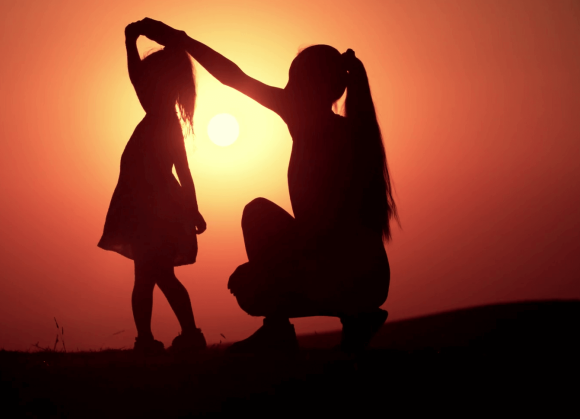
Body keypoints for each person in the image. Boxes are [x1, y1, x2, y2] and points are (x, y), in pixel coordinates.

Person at [141, 18, 397, 354]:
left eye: (293, 78)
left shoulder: (311, 123)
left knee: (254, 255)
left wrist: (182, 39)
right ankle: (354, 320)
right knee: (255, 262)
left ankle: (284, 328)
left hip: (346, 275)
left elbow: (233, 77)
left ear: (310, 87)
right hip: (371, 279)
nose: (286, 86)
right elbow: (234, 76)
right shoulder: (349, 132)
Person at [97, 20, 208, 354]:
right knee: (153, 277)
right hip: (147, 208)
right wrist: (192, 208)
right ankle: (173, 336)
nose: (143, 85)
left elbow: (184, 172)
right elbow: (185, 173)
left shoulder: (162, 121)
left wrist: (131, 40)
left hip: (151, 210)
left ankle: (171, 337)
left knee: (152, 277)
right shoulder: (162, 119)